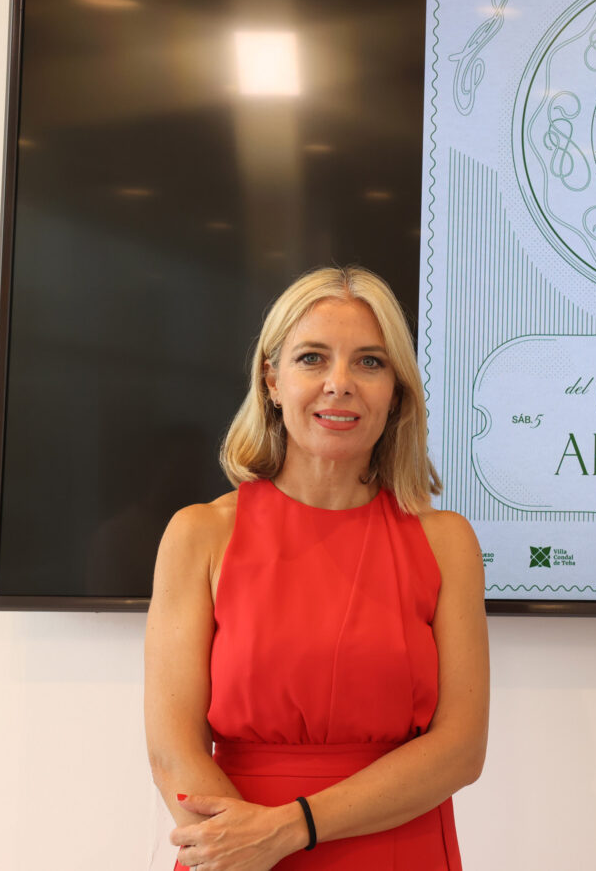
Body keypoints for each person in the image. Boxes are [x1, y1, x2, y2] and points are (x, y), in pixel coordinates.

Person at [145, 266, 489, 870]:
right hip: (234, 853)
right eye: (312, 358)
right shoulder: (199, 534)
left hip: (396, 847)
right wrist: (246, 847)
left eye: (370, 362)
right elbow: (173, 751)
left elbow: (460, 750)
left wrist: (289, 830)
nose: (340, 384)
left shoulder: (448, 542)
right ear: (272, 380)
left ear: (397, 391)